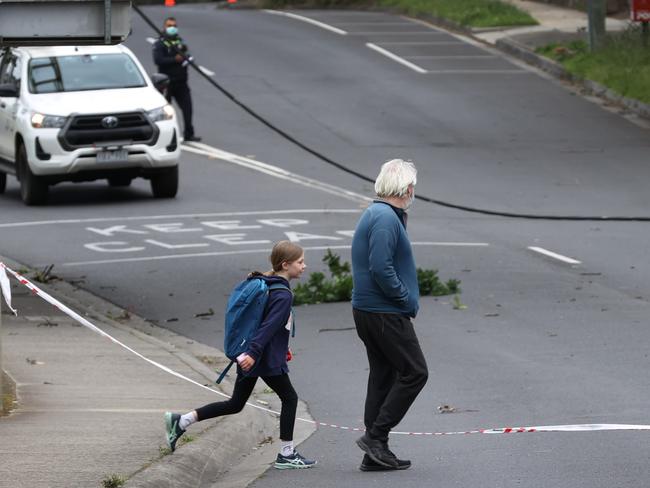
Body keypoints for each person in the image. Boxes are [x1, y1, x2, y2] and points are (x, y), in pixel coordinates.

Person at [164, 241, 316, 470]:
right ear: (286, 265)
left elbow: (268, 325)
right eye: (300, 262)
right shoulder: (283, 294)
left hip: (252, 354)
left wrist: (278, 348)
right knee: (289, 398)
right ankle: (286, 453)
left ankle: (182, 420)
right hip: (261, 358)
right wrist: (254, 353)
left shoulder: (268, 283)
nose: (305, 266)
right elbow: (268, 327)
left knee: (236, 403)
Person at [350, 158, 428, 472]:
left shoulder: (380, 213)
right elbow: (381, 266)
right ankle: (376, 437)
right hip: (383, 312)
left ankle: (375, 452)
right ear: (406, 187)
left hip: (370, 310)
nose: (413, 191)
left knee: (383, 377)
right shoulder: (384, 218)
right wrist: (404, 297)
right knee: (415, 372)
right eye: (412, 186)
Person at [153, 16, 201, 143]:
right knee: (165, 113)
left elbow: (187, 54)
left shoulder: (180, 42)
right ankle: (165, 137)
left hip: (181, 82)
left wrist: (188, 59)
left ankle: (189, 134)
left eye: (174, 25)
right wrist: (175, 60)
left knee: (188, 109)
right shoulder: (160, 43)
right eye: (169, 26)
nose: (172, 28)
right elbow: (158, 60)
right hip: (166, 83)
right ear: (164, 27)